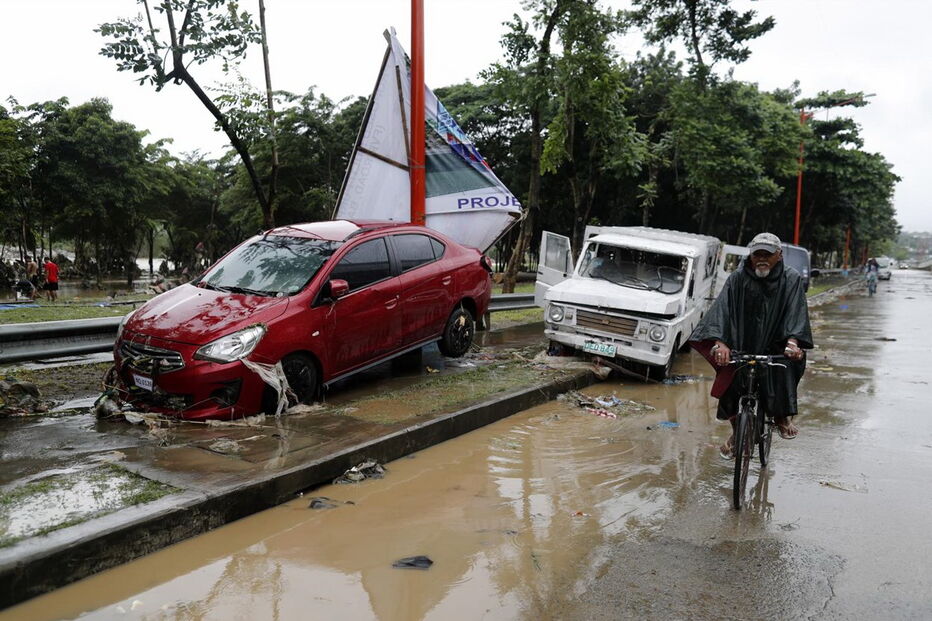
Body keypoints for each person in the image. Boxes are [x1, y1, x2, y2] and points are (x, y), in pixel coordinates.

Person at [689, 232, 813, 457]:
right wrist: (721, 343)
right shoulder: (738, 278)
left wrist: (793, 343)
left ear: (779, 255)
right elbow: (722, 311)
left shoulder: (791, 278)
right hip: (741, 345)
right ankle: (738, 430)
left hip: (777, 346)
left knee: (785, 370)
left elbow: (796, 312)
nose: (762, 259)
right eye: (757, 254)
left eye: (768, 254)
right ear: (751, 255)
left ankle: (781, 417)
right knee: (729, 380)